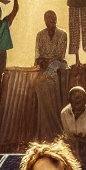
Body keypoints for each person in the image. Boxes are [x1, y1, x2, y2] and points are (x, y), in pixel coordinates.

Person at [33, 11, 69, 141]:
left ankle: (55, 127)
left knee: (50, 81)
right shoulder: (40, 35)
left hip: (58, 65)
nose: (50, 21)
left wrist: (48, 64)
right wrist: (43, 63)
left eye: (53, 18)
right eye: (47, 19)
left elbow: (60, 55)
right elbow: (38, 56)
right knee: (40, 87)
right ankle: (44, 128)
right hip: (44, 66)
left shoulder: (62, 34)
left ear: (56, 19)